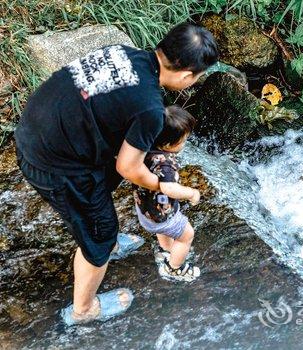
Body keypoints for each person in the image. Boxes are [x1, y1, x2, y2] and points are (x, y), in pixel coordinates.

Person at [14, 22, 218, 325]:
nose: (194, 81)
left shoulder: (123, 53)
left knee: (105, 187)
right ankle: (83, 309)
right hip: (55, 164)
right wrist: (165, 186)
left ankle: (105, 245)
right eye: (197, 77)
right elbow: (129, 168)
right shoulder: (149, 108)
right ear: (187, 75)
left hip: (37, 130)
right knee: (100, 233)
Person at [134, 105, 200, 282]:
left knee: (163, 229)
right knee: (187, 236)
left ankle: (166, 250)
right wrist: (191, 193)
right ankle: (174, 268)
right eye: (183, 141)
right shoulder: (165, 163)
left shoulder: (143, 148)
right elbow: (169, 188)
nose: (184, 144)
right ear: (167, 144)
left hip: (145, 211)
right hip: (163, 215)